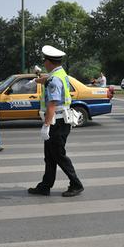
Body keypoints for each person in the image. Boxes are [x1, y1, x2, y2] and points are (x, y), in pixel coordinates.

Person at [28, 45, 84, 197]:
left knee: (59, 155)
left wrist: (46, 125)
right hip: (60, 121)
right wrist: (36, 80)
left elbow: (52, 104)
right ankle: (45, 186)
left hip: (57, 122)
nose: (44, 63)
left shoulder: (54, 79)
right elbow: (47, 79)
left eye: (45, 60)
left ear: (48, 62)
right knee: (50, 156)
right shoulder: (60, 73)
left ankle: (76, 184)